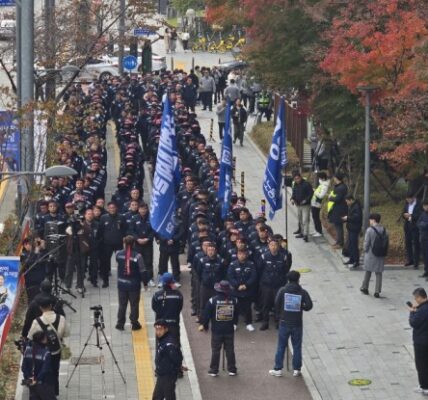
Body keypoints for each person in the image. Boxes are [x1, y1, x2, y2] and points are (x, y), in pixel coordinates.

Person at [269, 270, 313, 377]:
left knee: (281, 346)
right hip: (297, 323)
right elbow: (309, 305)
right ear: (298, 279)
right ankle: (297, 369)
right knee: (297, 346)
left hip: (284, 322)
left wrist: (279, 315)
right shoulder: (302, 292)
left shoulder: (283, 290)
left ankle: (278, 368)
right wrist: (301, 306)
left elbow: (276, 303)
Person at [28, 295, 70, 396]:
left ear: (40, 307)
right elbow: (66, 333)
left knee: (43, 371)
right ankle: (55, 392)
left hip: (42, 352)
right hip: (56, 350)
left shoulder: (36, 321)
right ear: (51, 305)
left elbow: (30, 336)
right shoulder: (61, 318)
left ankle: (45, 392)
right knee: (55, 371)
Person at [202, 280, 238, 377]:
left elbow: (206, 315)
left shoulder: (212, 300)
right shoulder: (234, 300)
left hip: (217, 330)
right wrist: (235, 324)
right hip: (229, 329)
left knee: (215, 350)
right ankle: (232, 369)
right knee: (230, 349)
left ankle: (214, 370)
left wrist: (205, 326)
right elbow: (236, 314)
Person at [258, 235, 292, 330]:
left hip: (278, 285)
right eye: (271, 245)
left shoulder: (283, 257)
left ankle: (278, 321)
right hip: (266, 285)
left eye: (275, 245)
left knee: (278, 304)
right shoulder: (264, 256)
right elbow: (259, 269)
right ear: (268, 246)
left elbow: (286, 269)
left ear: (278, 246)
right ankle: (265, 322)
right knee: (265, 304)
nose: (273, 247)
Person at [115, 235, 148, 331]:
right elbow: (143, 271)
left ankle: (120, 323)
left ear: (124, 243)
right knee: (134, 305)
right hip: (134, 285)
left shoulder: (118, 254)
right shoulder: (138, 256)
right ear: (134, 244)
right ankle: (134, 323)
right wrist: (145, 283)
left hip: (121, 284)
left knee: (122, 304)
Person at [97, 202, 127, 288]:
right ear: (108, 209)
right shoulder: (103, 217)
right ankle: (105, 281)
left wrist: (124, 238)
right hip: (107, 244)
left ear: (116, 208)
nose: (112, 209)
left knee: (121, 262)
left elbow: (125, 229)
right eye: (110, 208)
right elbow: (100, 231)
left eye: (113, 207)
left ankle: (122, 280)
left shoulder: (121, 217)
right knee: (105, 263)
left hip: (119, 244)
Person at [152, 319, 183, 400]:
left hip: (168, 376)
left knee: (169, 396)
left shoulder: (169, 344)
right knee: (157, 397)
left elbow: (177, 358)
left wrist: (177, 367)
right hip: (162, 374)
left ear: (166, 329)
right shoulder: (163, 339)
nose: (158, 332)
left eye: (160, 329)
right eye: (156, 329)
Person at [227, 247, 257, 331]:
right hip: (236, 290)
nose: (242, 256)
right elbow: (230, 276)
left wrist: (246, 285)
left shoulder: (251, 264)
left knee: (248, 308)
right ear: (237, 255)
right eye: (240, 254)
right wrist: (237, 286)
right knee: (235, 307)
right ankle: (234, 323)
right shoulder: (233, 264)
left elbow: (253, 276)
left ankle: (248, 323)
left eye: (243, 254)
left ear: (246, 255)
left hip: (247, 290)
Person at [21, 331, 57, 399]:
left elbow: (23, 367)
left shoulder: (27, 351)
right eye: (45, 339)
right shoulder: (46, 353)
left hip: (31, 382)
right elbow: (45, 370)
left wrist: (29, 377)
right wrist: (36, 379)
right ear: (42, 340)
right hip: (44, 383)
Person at [360, 213, 388, 298]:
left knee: (368, 271)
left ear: (373, 220)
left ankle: (365, 288)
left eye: (370, 219)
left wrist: (364, 251)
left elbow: (366, 243)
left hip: (371, 254)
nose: (369, 221)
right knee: (378, 273)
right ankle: (377, 291)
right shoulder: (384, 230)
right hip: (380, 254)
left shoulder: (369, 230)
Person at [152, 273, 183, 346]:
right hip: (174, 324)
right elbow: (179, 308)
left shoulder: (157, 295)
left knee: (160, 346)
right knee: (174, 346)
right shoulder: (178, 295)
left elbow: (154, 308)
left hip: (160, 326)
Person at [408, 287, 428, 395]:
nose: (415, 300)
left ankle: (424, 386)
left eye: (416, 298)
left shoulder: (423, 310)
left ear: (420, 297)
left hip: (421, 342)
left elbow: (414, 323)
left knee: (421, 365)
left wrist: (412, 313)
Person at [327, 172, 348, 248]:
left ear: (337, 178)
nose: (334, 179)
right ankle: (338, 241)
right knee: (337, 226)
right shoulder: (340, 186)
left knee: (339, 226)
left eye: (335, 178)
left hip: (339, 209)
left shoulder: (341, 188)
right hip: (337, 208)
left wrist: (330, 198)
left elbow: (338, 198)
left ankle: (340, 242)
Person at [291, 173, 313, 242]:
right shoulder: (295, 184)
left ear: (300, 177)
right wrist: (292, 198)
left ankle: (306, 235)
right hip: (298, 204)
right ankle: (302, 232)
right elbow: (294, 192)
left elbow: (311, 193)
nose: (296, 180)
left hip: (305, 205)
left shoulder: (306, 184)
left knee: (305, 220)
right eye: (295, 179)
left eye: (297, 178)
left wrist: (306, 200)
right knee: (300, 219)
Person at [342, 195, 363, 268]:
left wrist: (347, 218)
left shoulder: (356, 206)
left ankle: (356, 261)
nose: (347, 203)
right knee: (350, 244)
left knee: (354, 245)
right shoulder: (352, 206)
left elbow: (357, 217)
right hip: (351, 228)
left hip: (355, 228)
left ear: (351, 200)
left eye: (347, 201)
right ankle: (351, 259)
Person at [402, 193, 422, 269]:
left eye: (409, 199)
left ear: (413, 197)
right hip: (407, 226)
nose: (408, 200)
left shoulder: (419, 204)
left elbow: (420, 215)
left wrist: (411, 216)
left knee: (416, 244)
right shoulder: (407, 204)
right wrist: (405, 215)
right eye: (407, 199)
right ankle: (410, 259)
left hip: (415, 226)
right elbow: (403, 212)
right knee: (408, 243)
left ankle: (416, 262)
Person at [310, 171, 330, 237]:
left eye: (320, 178)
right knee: (314, 217)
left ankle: (319, 231)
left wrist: (315, 192)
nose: (319, 179)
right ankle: (316, 230)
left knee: (316, 217)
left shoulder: (324, 186)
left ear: (323, 178)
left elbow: (321, 195)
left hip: (317, 203)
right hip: (314, 202)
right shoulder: (322, 184)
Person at [417, 200, 428, 279]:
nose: (425, 207)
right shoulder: (423, 214)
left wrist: (423, 224)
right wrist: (423, 224)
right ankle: (426, 271)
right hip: (423, 237)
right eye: (424, 206)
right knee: (424, 255)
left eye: (426, 205)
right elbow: (418, 223)